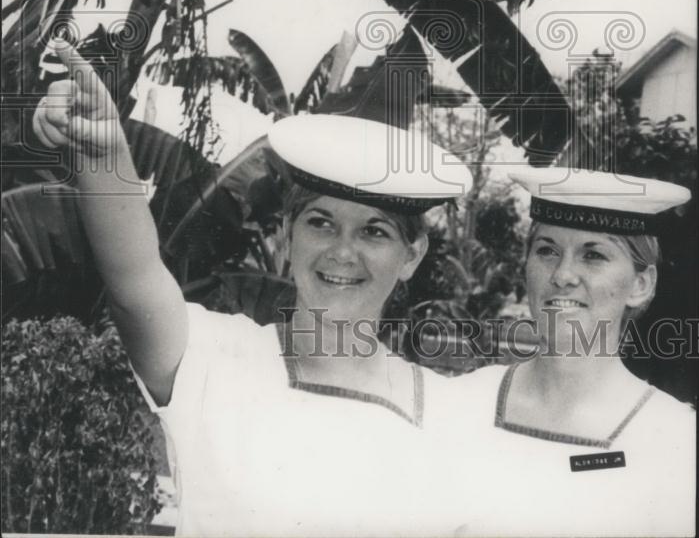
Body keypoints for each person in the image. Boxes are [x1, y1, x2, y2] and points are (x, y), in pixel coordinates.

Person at [33, 43, 473, 538]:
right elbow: (134, 282)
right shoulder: (219, 359)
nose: (342, 252)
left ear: (411, 255)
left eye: (375, 231)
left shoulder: (446, 414)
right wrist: (103, 151)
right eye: (321, 222)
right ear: (287, 234)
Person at [445, 166, 696, 538]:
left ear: (641, 284)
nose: (563, 274)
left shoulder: (677, 438)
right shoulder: (457, 406)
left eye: (593, 255)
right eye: (547, 250)